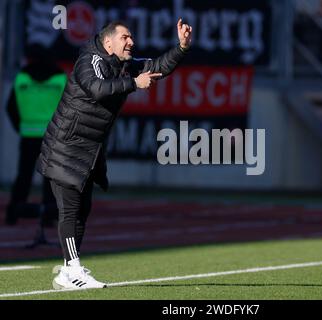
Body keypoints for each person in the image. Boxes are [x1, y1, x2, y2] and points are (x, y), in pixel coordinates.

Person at [36, 19, 192, 289]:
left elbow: (156, 68)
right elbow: (97, 89)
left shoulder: (123, 65)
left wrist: (180, 47)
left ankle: (67, 271)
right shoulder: (90, 60)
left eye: (131, 37)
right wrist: (134, 83)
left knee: (82, 210)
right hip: (64, 147)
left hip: (87, 150)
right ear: (109, 42)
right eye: (125, 37)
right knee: (70, 211)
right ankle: (73, 270)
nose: (131, 42)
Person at [5, 45, 66, 226]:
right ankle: (48, 216)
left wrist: (21, 127)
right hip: (53, 135)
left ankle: (13, 213)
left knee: (23, 176)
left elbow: (11, 108)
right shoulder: (60, 78)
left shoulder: (22, 77)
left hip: (28, 135)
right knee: (50, 178)